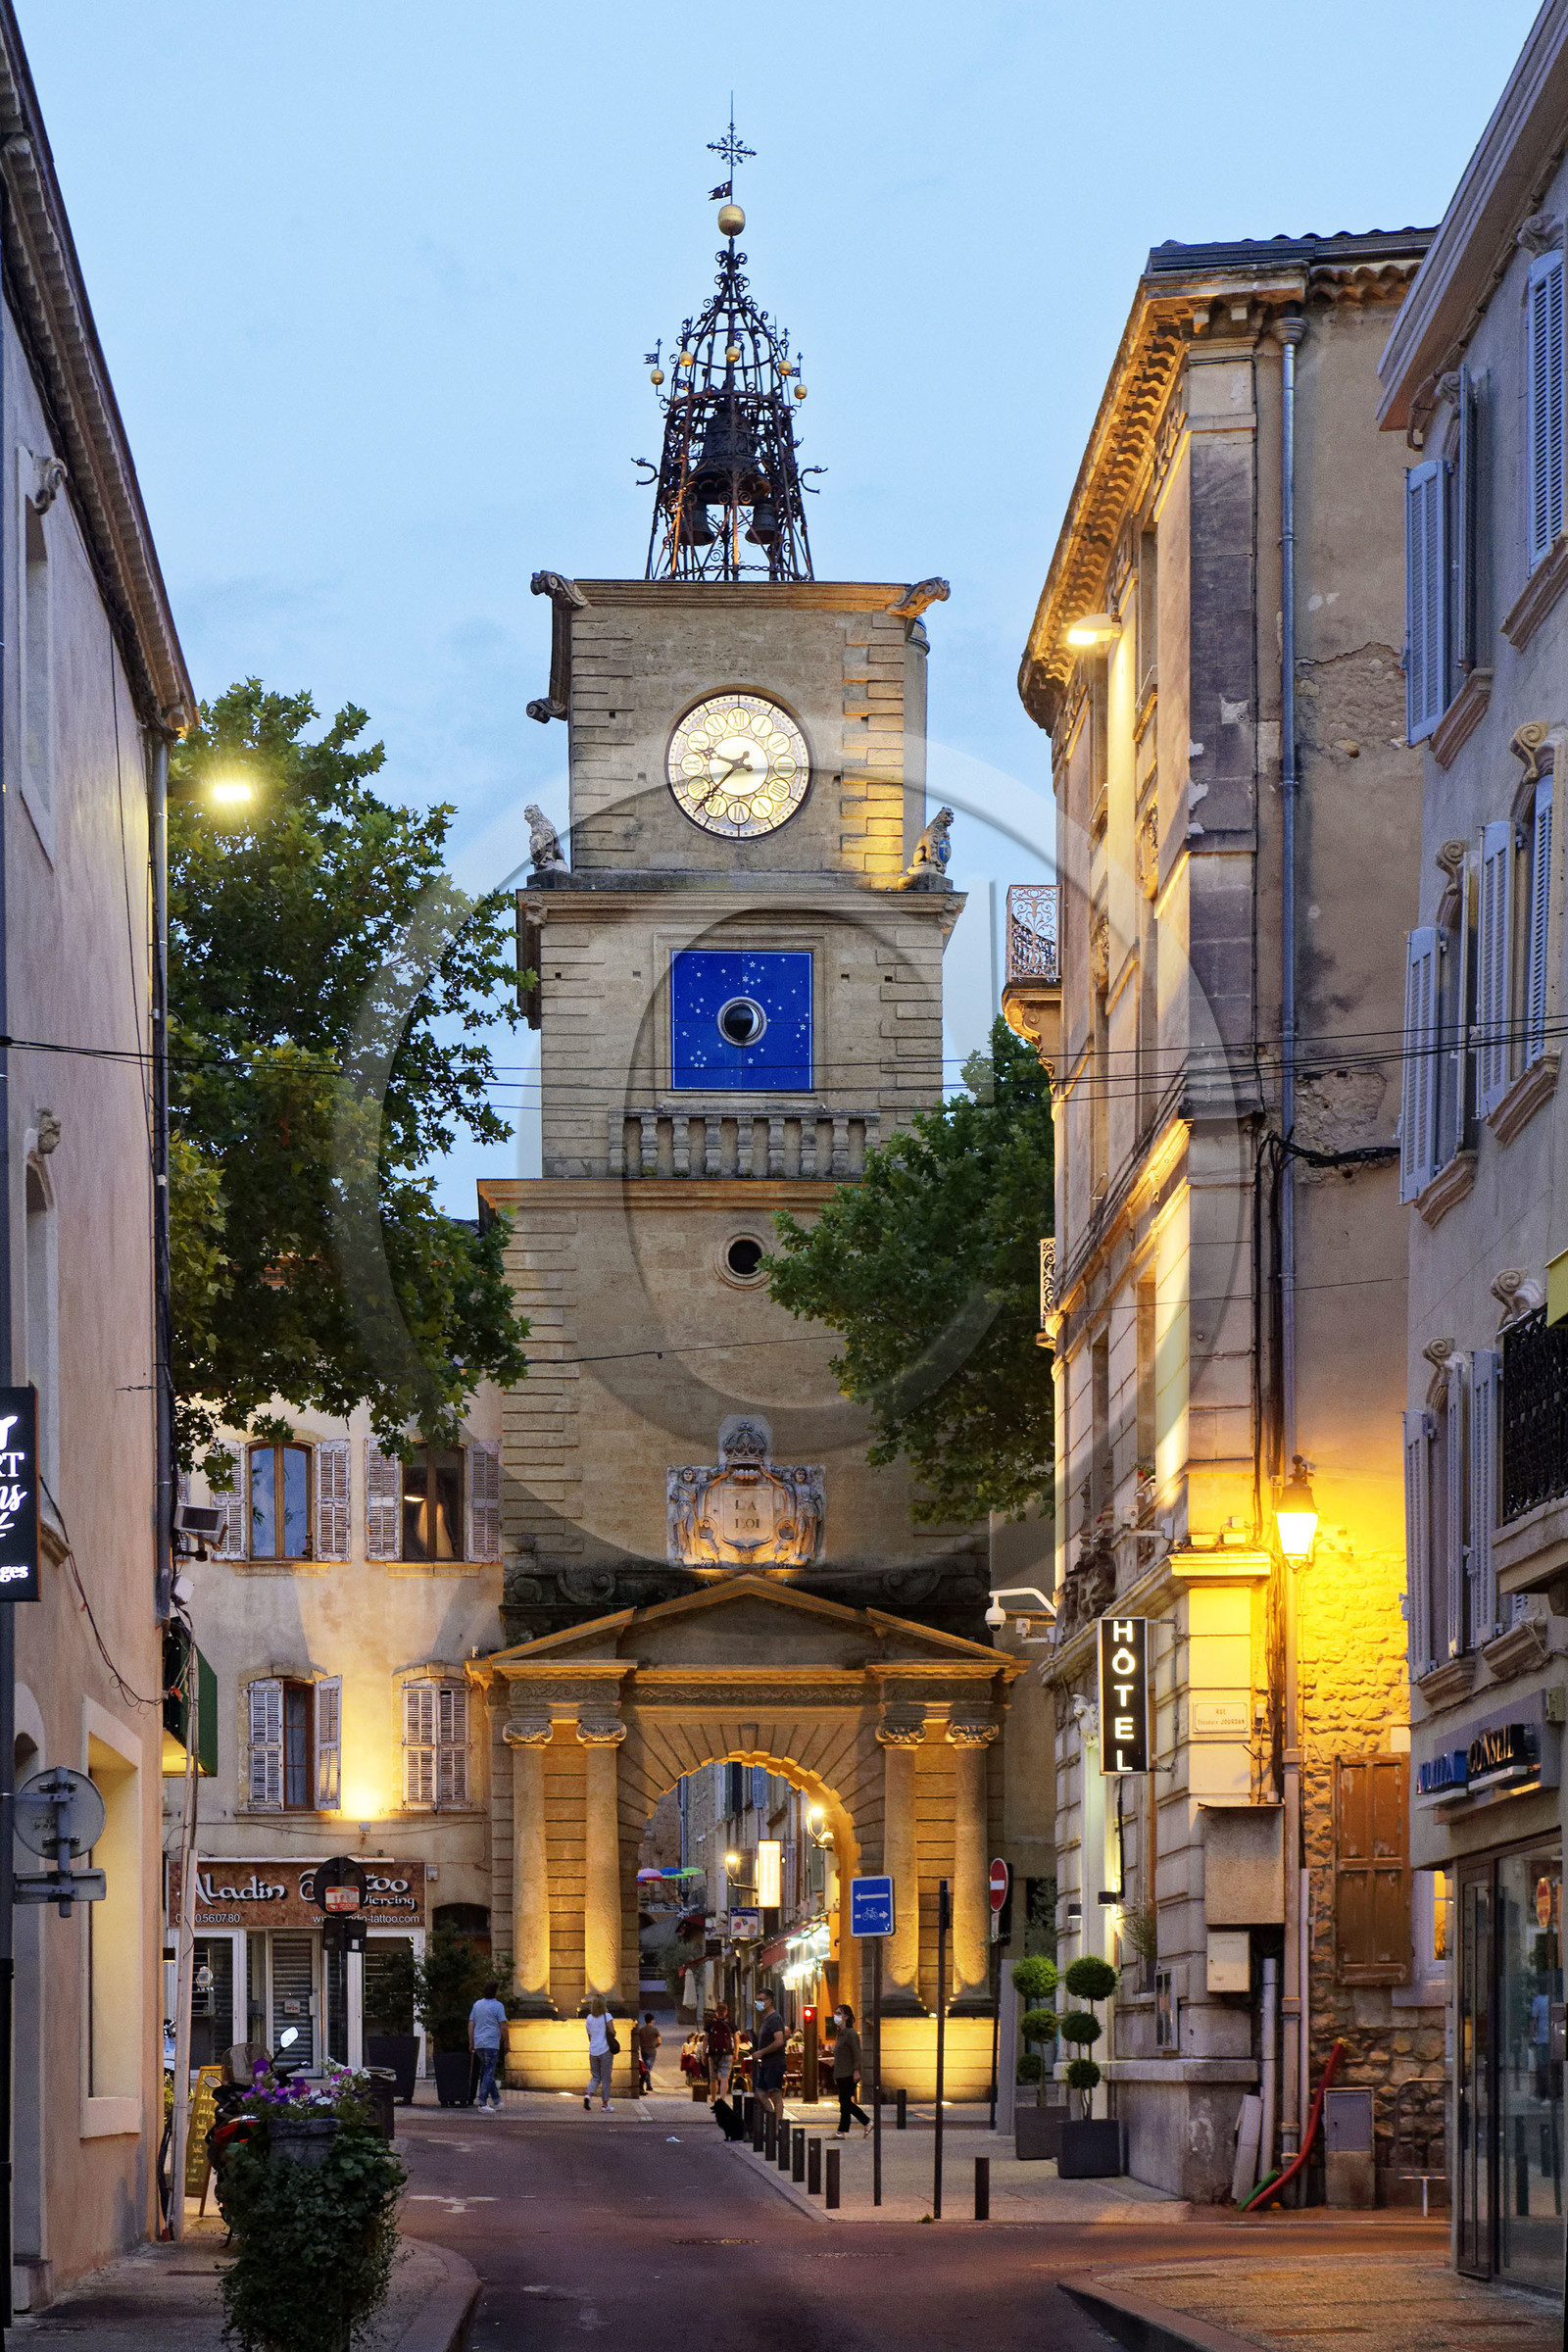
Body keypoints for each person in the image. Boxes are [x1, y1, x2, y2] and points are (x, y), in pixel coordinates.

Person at [828, 2003, 869, 2137]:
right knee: (844, 2104)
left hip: (848, 2074)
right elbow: (842, 2053)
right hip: (840, 2073)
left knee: (845, 2102)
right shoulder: (840, 2033)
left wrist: (856, 2070)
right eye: (835, 2013)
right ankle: (842, 2131)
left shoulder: (851, 2034)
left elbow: (856, 2053)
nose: (836, 2016)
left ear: (846, 2016)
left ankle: (867, 2121)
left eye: (839, 2013)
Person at [467, 1980, 508, 2114]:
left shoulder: (477, 2005)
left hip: (479, 2043)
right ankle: (482, 2101)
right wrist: (506, 2043)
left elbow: (471, 2024)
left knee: (487, 2072)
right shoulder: (498, 2006)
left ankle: (496, 2100)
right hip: (491, 2042)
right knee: (489, 2072)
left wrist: (471, 2042)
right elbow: (503, 2026)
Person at [754, 1992, 787, 2128]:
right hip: (766, 2063)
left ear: (769, 2001)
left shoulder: (775, 2019)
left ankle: (778, 2126)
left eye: (761, 2000)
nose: (758, 2003)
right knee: (760, 2093)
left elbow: (779, 2041)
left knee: (775, 2094)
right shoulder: (766, 2019)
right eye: (757, 2000)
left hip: (775, 2063)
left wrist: (761, 2052)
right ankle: (772, 2119)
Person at [583, 1995, 615, 2112]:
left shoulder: (589, 2018)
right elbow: (612, 2032)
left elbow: (589, 2035)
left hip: (593, 2050)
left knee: (595, 2076)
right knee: (606, 2078)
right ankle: (605, 2104)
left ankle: (588, 2094)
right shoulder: (607, 2016)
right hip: (605, 2050)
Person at [705, 2001, 735, 2103]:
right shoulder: (730, 2024)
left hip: (713, 2053)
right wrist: (736, 2052)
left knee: (713, 2077)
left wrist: (704, 2053)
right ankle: (722, 2099)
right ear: (726, 2012)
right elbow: (736, 2038)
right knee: (724, 2077)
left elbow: (706, 2039)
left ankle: (713, 2098)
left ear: (716, 2012)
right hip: (727, 2053)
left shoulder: (710, 2024)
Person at [636, 2011, 662, 2095]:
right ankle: (642, 2084)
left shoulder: (641, 2030)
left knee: (646, 2067)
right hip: (652, 2051)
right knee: (648, 2069)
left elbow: (638, 2041)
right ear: (652, 2020)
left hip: (644, 2050)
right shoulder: (655, 2030)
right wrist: (655, 2046)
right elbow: (659, 2041)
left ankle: (648, 2085)